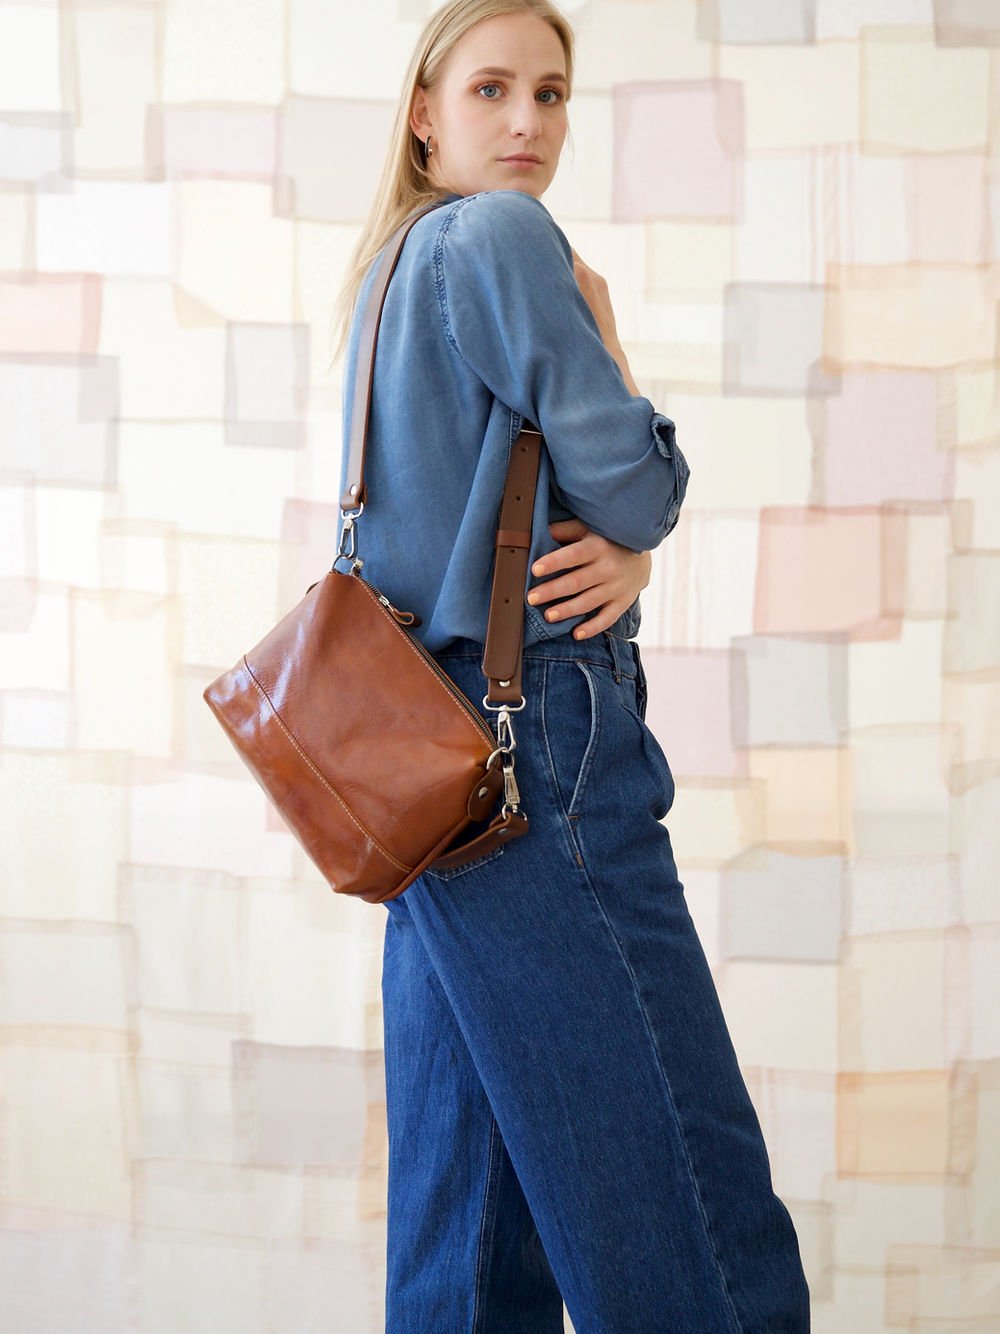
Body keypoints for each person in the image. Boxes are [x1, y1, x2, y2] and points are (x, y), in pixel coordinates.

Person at [330, 2, 812, 1330]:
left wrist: (620, 545)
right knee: (687, 1196)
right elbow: (636, 489)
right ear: (425, 114)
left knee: (468, 1222)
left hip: (420, 774)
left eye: (551, 94)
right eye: (492, 91)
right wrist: (605, 343)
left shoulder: (387, 275)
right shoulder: (503, 237)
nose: (529, 123)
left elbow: (456, 527)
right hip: (535, 742)